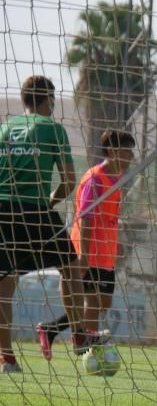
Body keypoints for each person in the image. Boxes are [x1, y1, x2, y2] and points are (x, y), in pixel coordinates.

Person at [0, 75, 84, 373]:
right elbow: (69, 182)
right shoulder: (52, 128)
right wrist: (50, 202)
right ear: (47, 99)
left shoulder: (4, 129)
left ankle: (7, 358)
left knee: (4, 286)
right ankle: (79, 334)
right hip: (36, 208)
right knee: (72, 267)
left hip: (3, 212)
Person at [36, 129, 136, 355]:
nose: (131, 156)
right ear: (111, 151)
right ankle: (87, 348)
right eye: (126, 150)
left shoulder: (118, 178)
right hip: (89, 249)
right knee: (93, 300)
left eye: (131, 151)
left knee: (102, 302)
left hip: (106, 251)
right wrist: (84, 256)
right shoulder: (94, 179)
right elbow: (86, 217)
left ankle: (51, 329)